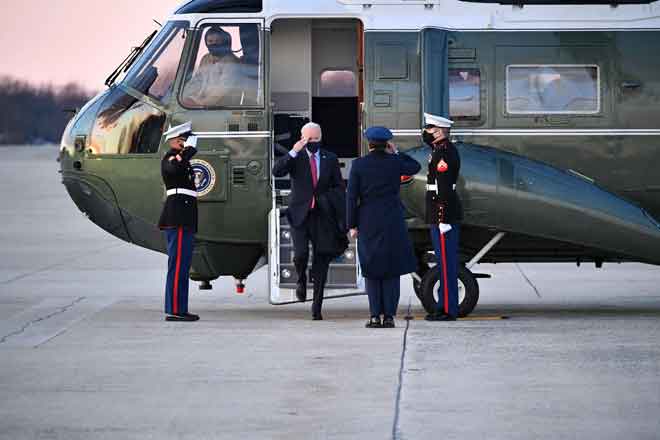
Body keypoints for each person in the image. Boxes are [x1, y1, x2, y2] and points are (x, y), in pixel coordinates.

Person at [346, 127, 421, 328]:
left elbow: (352, 197)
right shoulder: (395, 162)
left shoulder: (359, 165)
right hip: (392, 220)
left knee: (372, 269)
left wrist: (352, 224)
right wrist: (396, 152)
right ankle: (389, 317)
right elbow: (415, 167)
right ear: (386, 144)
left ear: (369, 144)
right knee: (391, 270)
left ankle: (374, 316)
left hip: (368, 220)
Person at [272, 122, 345, 320]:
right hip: (299, 214)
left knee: (321, 260)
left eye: (315, 139)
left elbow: (339, 186)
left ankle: (317, 306)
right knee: (300, 254)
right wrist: (293, 152)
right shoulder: (296, 157)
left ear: (320, 138)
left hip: (322, 215)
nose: (312, 142)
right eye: (308, 139)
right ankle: (301, 278)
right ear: (302, 138)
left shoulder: (329, 158)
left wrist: (327, 198)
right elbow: (276, 171)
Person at [422, 113, 463, 322]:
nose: (425, 133)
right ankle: (442, 305)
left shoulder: (444, 153)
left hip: (443, 215)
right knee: (443, 263)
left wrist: (442, 219)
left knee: (447, 264)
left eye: (428, 129)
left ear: (438, 131)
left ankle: (448, 309)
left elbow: (444, 189)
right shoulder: (438, 151)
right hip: (439, 214)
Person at [158, 121, 200, 322]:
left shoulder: (181, 160)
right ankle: (175, 309)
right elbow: (175, 169)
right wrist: (189, 151)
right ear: (175, 141)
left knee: (183, 266)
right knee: (177, 266)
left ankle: (180, 308)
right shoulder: (170, 158)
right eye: (184, 140)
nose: (186, 143)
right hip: (178, 217)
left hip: (186, 218)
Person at [181, 27, 245, 107]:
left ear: (225, 42)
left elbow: (221, 91)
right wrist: (183, 97)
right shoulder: (206, 58)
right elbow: (196, 81)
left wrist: (199, 103)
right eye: (210, 41)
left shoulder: (232, 62)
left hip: (222, 109)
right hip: (201, 105)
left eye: (217, 41)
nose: (214, 44)